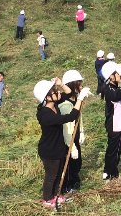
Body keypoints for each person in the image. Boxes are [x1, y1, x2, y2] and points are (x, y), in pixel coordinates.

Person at [33, 77, 88, 208]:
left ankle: (56, 195)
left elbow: (69, 93)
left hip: (57, 147)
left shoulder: (54, 105)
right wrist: (80, 99)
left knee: (58, 173)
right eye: (53, 91)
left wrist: (60, 83)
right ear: (46, 97)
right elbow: (71, 116)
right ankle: (47, 199)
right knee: (51, 175)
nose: (57, 92)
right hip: (49, 150)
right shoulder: (46, 114)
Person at [100, 61, 121, 180]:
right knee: (113, 149)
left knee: (116, 148)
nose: (119, 75)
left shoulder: (112, 87)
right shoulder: (110, 90)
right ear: (111, 76)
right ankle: (108, 172)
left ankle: (113, 172)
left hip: (118, 123)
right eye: (117, 73)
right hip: (114, 124)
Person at [59, 70, 90, 193]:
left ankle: (75, 182)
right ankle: (67, 186)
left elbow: (79, 116)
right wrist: (72, 147)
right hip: (68, 140)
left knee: (77, 162)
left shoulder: (76, 99)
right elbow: (66, 127)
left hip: (75, 135)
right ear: (72, 85)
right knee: (70, 163)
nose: (81, 87)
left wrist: (81, 131)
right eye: (79, 84)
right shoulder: (66, 105)